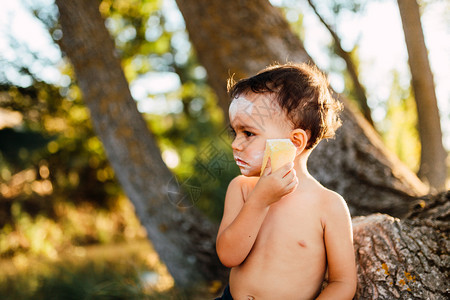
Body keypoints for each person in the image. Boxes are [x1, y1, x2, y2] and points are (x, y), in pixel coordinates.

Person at [215, 63, 357, 299]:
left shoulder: (328, 205)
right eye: (235, 132)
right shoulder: (241, 189)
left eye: (248, 133)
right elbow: (229, 256)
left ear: (295, 142)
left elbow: (342, 282)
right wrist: (258, 201)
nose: (235, 144)